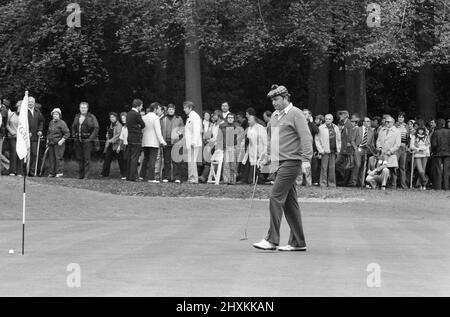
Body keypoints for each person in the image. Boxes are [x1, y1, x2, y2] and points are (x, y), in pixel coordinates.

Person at [253, 84, 312, 252]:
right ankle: (298, 242)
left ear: (286, 98)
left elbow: (306, 137)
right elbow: (273, 140)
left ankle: (272, 240)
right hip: (279, 162)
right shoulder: (274, 117)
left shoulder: (296, 114)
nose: (274, 103)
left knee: (275, 197)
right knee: (289, 204)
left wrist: (306, 159)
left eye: (277, 99)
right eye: (272, 100)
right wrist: (266, 156)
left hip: (292, 162)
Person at [71, 102, 99, 179]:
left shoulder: (91, 117)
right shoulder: (77, 116)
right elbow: (73, 127)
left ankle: (86, 176)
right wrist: (74, 136)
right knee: (79, 158)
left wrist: (90, 139)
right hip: (78, 140)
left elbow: (96, 128)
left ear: (87, 108)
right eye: (81, 108)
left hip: (87, 141)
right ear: (80, 108)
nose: (83, 109)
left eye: (84, 108)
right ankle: (80, 175)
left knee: (87, 158)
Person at [140, 102, 167, 182]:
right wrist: (162, 142)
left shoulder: (144, 117)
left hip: (145, 141)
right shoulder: (155, 118)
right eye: (158, 108)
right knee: (152, 159)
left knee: (146, 159)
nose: (159, 110)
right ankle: (151, 178)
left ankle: (141, 176)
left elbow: (142, 129)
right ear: (155, 109)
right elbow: (158, 131)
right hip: (153, 142)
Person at [315, 114, 341, 188]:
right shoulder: (321, 128)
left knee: (332, 168)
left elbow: (339, 140)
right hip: (325, 151)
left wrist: (338, 149)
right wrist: (320, 150)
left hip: (333, 151)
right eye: (326, 119)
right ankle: (323, 183)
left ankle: (332, 184)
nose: (327, 120)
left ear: (332, 120)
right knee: (324, 168)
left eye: (329, 119)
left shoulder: (336, 127)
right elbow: (317, 140)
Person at [160, 104, 184, 183]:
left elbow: (182, 128)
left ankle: (177, 177)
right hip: (166, 141)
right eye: (170, 109)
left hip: (176, 141)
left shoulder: (178, 118)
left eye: (172, 109)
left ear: (174, 110)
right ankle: (167, 177)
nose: (171, 111)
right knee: (167, 160)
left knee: (176, 160)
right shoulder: (163, 119)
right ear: (167, 110)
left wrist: (180, 132)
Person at [376, 115, 401, 189]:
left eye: (389, 122)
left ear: (393, 122)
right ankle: (383, 184)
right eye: (386, 122)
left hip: (391, 154)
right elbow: (378, 140)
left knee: (393, 170)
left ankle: (393, 185)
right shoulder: (381, 130)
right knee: (382, 169)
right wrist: (379, 147)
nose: (387, 123)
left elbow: (397, 144)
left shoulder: (397, 131)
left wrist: (390, 151)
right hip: (382, 153)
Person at [349, 117, 375, 187]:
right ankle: (353, 182)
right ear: (363, 122)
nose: (368, 122)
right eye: (367, 121)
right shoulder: (358, 129)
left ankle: (361, 183)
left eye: (369, 121)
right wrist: (356, 148)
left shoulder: (371, 131)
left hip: (366, 150)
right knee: (357, 165)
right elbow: (352, 140)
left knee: (364, 167)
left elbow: (372, 143)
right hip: (358, 149)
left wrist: (372, 151)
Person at [297, 109, 319, 186]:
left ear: (309, 115)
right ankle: (299, 182)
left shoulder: (311, 124)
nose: (304, 115)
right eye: (303, 113)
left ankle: (308, 182)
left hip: (309, 148)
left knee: (307, 166)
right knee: (299, 165)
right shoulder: (299, 123)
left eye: (306, 114)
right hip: (299, 147)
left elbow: (317, 131)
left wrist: (312, 122)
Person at [126, 99, 145, 181]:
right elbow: (143, 124)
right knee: (135, 157)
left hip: (129, 136)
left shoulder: (128, 113)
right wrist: (138, 127)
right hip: (136, 137)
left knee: (130, 157)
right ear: (138, 106)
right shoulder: (136, 114)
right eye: (141, 106)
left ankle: (129, 176)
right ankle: (133, 176)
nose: (142, 107)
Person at [46, 108, 70, 177]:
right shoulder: (51, 122)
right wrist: (48, 139)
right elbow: (49, 132)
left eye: (56, 114)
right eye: (54, 114)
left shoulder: (62, 123)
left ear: (59, 115)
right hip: (51, 143)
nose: (55, 115)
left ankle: (59, 172)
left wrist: (62, 140)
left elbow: (67, 133)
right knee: (51, 158)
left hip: (59, 143)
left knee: (58, 158)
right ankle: (52, 172)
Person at [183, 101, 202, 184]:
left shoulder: (195, 116)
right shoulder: (190, 117)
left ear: (190, 108)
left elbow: (197, 130)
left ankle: (193, 178)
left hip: (193, 143)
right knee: (190, 161)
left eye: (185, 108)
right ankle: (191, 178)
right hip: (190, 143)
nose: (184, 110)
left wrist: (193, 142)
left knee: (192, 161)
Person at [101, 112, 124, 178]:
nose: (112, 118)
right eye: (111, 117)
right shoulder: (110, 125)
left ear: (116, 118)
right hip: (110, 145)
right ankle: (104, 174)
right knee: (107, 159)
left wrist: (111, 140)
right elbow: (109, 134)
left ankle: (124, 174)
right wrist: (107, 137)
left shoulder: (119, 125)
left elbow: (119, 135)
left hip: (117, 145)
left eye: (113, 117)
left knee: (120, 160)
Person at [335, 110, 354, 186]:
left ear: (345, 116)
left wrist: (346, 148)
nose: (340, 116)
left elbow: (349, 136)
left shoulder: (348, 124)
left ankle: (344, 179)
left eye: (341, 115)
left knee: (338, 164)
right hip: (343, 148)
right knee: (342, 165)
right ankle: (344, 179)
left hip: (345, 149)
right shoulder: (345, 123)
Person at [27, 96, 45, 176]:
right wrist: (27, 132)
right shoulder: (24, 112)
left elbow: (41, 121)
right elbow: (21, 124)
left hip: (35, 137)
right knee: (26, 154)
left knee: (34, 154)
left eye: (32, 101)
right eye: (29, 101)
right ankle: (25, 171)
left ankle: (32, 171)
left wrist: (40, 130)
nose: (30, 103)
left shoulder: (38, 112)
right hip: (26, 137)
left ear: (34, 103)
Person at [431, 119, 450, 190]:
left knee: (438, 171)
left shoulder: (436, 132)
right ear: (444, 124)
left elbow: (434, 144)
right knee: (446, 171)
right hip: (448, 153)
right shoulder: (449, 132)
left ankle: (438, 187)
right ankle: (446, 187)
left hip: (438, 153)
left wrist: (433, 151)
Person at [394, 112, 409, 189]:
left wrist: (407, 145)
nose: (401, 118)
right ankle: (394, 184)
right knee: (395, 166)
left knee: (402, 167)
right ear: (397, 118)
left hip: (404, 148)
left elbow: (408, 137)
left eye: (402, 117)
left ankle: (403, 185)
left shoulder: (406, 126)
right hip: (396, 148)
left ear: (404, 118)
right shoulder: (394, 126)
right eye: (399, 117)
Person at [6, 101, 20, 176]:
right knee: (13, 153)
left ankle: (19, 171)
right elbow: (6, 124)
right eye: (19, 106)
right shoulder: (11, 114)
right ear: (17, 107)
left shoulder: (24, 117)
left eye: (21, 107)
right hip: (12, 136)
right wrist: (11, 131)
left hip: (20, 138)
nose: (19, 108)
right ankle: (12, 171)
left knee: (20, 153)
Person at [116, 112, 128, 180]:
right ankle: (125, 174)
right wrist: (119, 146)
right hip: (124, 146)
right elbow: (121, 138)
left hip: (129, 145)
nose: (123, 119)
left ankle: (128, 174)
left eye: (124, 118)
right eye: (122, 118)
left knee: (127, 160)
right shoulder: (123, 127)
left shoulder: (130, 127)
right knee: (124, 160)